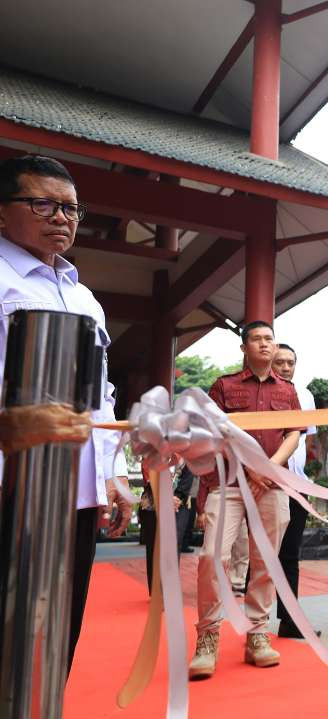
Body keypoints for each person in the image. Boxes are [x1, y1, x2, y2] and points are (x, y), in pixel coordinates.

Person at [0, 154, 129, 673]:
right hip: (9, 483)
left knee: (57, 627)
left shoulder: (85, 299)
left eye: (71, 208)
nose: (62, 218)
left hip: (73, 492)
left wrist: (114, 475)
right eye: (43, 204)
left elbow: (101, 395)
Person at [188, 321, 302, 680]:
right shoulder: (224, 386)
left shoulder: (288, 390)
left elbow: (295, 433)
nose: (265, 344)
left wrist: (266, 470)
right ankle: (207, 637)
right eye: (257, 339)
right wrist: (249, 469)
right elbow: (213, 433)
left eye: (270, 339)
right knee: (212, 557)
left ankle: (257, 636)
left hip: (272, 485)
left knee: (266, 561)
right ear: (244, 348)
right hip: (229, 484)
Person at [271, 343, 319, 639]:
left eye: (290, 362)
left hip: (296, 485)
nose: (286, 367)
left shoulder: (306, 395)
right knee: (259, 555)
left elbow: (310, 442)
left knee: (290, 554)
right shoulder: (260, 393)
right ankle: (255, 625)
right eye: (280, 362)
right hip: (262, 482)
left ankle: (290, 619)